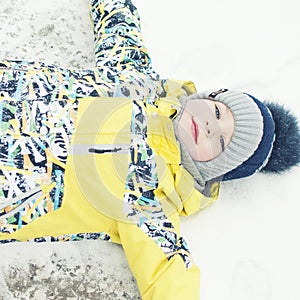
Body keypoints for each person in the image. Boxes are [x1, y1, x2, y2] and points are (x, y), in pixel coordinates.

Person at [0, 0, 299, 299]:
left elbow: (169, 275)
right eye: (219, 113)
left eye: (221, 142)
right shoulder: (138, 81)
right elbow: (120, 28)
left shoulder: (152, 197)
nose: (210, 127)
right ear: (210, 97)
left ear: (213, 169)